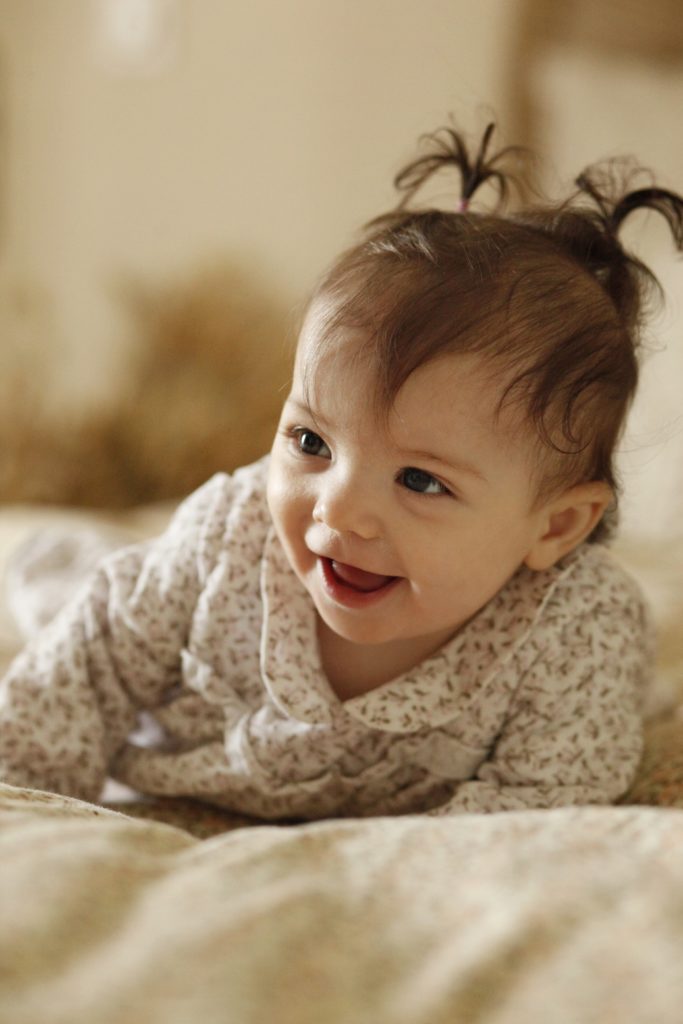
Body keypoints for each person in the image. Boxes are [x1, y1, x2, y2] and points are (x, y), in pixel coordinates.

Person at [1, 124, 682, 819]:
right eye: (310, 441)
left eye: (420, 480)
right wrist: (27, 791)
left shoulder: (577, 629)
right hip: (189, 743)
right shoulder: (230, 535)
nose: (338, 510)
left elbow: (546, 805)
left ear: (557, 525)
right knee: (89, 599)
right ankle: (58, 565)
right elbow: (88, 672)